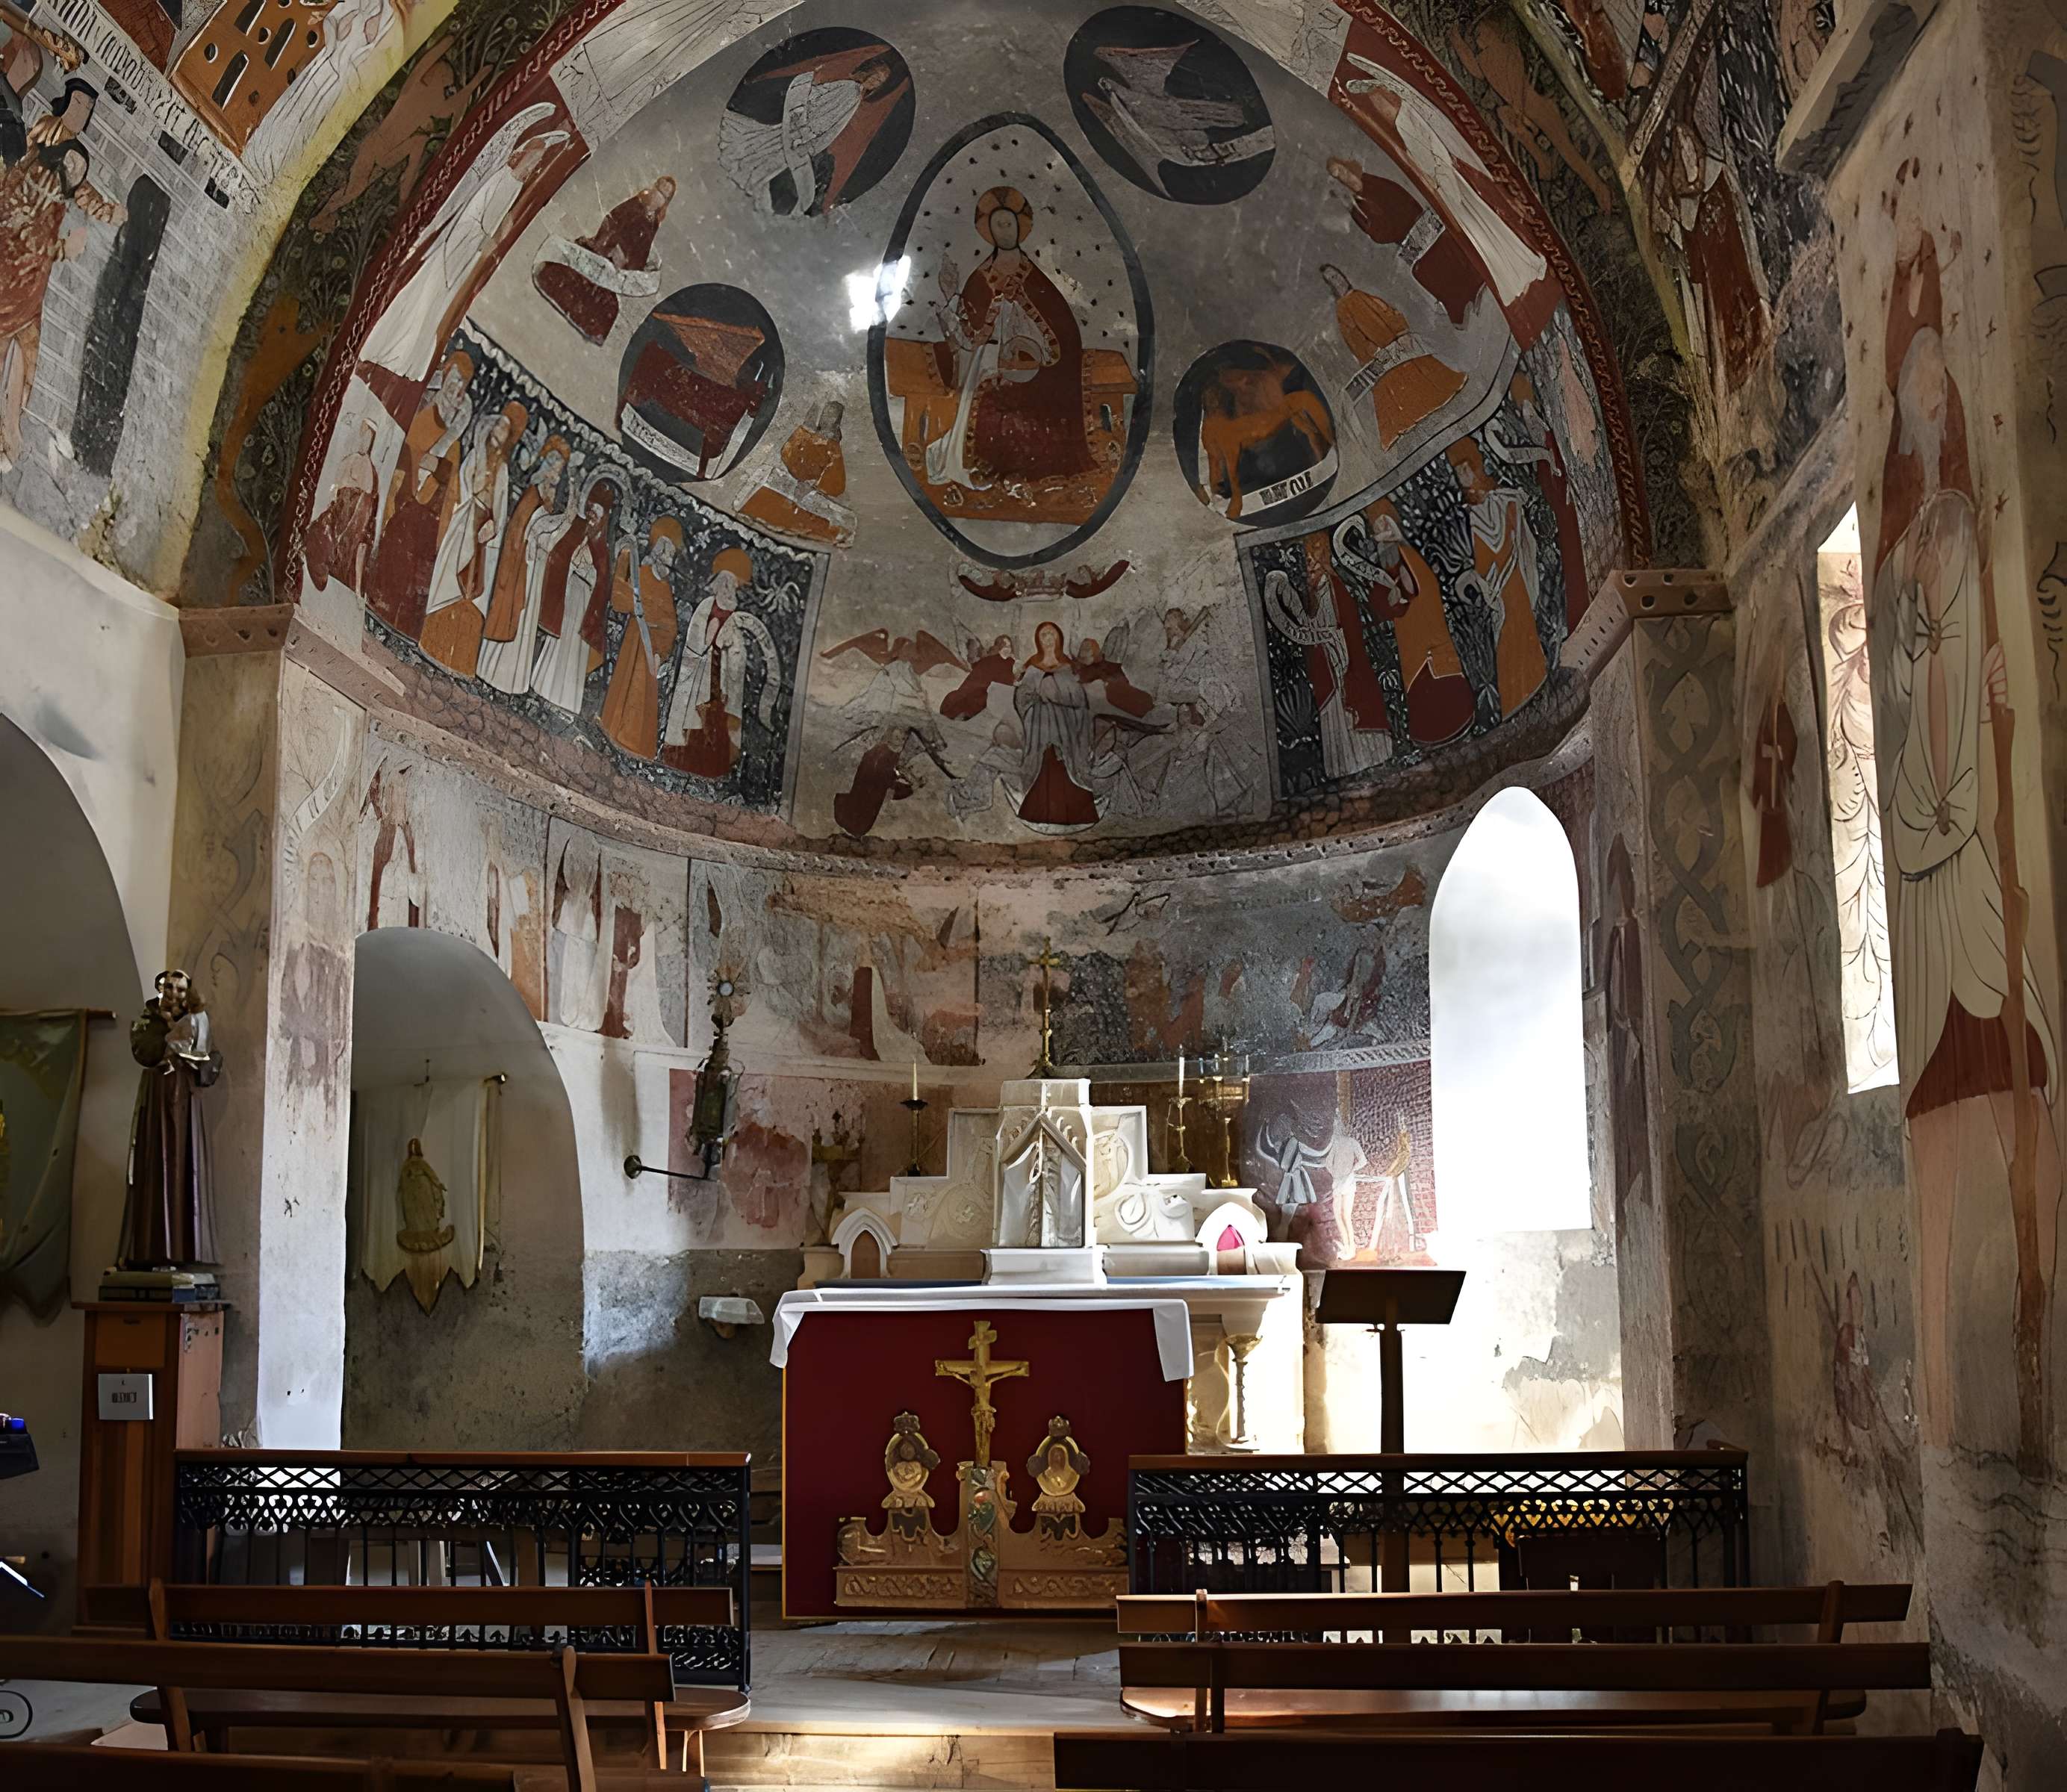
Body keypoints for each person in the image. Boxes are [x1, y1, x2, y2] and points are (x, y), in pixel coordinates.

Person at [924, 188, 1095, 498]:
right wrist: (951, 296)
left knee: (1032, 399)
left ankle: (1030, 471)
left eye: (1009, 224)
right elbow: (966, 335)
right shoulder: (980, 278)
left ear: (1020, 229)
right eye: (998, 225)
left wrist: (1029, 343)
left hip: (1031, 365)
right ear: (989, 232)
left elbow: (1062, 330)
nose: (1004, 231)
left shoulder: (1036, 279)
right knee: (986, 399)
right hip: (987, 363)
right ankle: (986, 470)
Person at [0, 139, 122, 471]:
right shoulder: (38, 174)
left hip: (29, 286)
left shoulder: (59, 185)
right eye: (71, 162)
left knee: (23, 355)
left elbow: (86, 201)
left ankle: (9, 430)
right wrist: (64, 249)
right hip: (12, 278)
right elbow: (20, 225)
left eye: (79, 169)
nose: (73, 170)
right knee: (14, 349)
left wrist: (112, 213)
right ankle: (9, 431)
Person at [119, 971, 223, 1270]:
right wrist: (170, 1034)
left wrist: (200, 1060)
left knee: (184, 1165)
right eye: (169, 987)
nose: (174, 993)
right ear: (160, 989)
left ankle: (184, 1248)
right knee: (156, 1164)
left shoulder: (197, 1019)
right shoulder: (147, 1020)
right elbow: (145, 1050)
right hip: (158, 1094)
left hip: (185, 1098)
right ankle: (151, 1250)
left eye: (180, 989)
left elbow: (209, 1059)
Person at [367, 351, 473, 636]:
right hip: (402, 489)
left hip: (427, 510)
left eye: (462, 385)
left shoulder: (454, 435)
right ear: (444, 376)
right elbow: (403, 443)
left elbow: (451, 477)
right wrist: (414, 468)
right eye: (453, 380)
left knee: (413, 567)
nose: (455, 389)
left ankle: (396, 623)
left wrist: (435, 465)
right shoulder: (424, 408)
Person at [420, 401, 526, 676]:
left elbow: (501, 504)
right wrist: (466, 508)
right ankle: (432, 641)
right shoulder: (476, 454)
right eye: (498, 425)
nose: (499, 431)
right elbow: (462, 486)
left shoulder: (502, 469)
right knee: (451, 577)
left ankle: (460, 658)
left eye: (505, 429)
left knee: (474, 589)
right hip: (466, 519)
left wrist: (494, 525)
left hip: (483, 528)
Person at [1321, 261, 1467, 451]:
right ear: (1331, 285)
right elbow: (1354, 339)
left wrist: (1402, 332)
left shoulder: (1359, 295)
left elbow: (1388, 312)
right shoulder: (1342, 309)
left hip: (1398, 344)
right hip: (1382, 357)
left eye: (1337, 275)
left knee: (1423, 374)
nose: (1338, 280)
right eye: (1332, 279)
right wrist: (1374, 352)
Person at [662, 546, 780, 777]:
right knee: (697, 723)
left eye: (733, 584)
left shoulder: (737, 620)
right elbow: (695, 645)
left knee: (718, 727)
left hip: (721, 684)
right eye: (725, 582)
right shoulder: (705, 608)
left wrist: (731, 649)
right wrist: (711, 638)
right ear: (716, 582)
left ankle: (713, 770)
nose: (729, 588)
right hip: (701, 678)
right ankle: (684, 765)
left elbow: (738, 657)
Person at [477, 435, 571, 694]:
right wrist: (527, 548)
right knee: (513, 615)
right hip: (522, 564)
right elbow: (517, 531)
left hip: (534, 568)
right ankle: (491, 671)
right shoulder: (533, 494)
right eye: (553, 463)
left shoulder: (548, 499)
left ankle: (513, 681)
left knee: (525, 624)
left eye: (559, 468)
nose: (555, 471)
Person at [532, 177, 674, 343]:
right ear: (653, 188)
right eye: (659, 190)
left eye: (664, 195)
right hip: (605, 249)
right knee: (576, 275)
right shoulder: (635, 205)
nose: (658, 196)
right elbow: (612, 221)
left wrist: (627, 262)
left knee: (604, 302)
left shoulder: (653, 224)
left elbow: (642, 251)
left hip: (620, 265)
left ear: (665, 203)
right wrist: (610, 246)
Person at [600, 517, 683, 759]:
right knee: (627, 689)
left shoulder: (665, 588)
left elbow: (670, 627)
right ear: (657, 551)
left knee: (643, 699)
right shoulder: (642, 575)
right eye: (667, 553)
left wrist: (661, 654)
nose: (669, 560)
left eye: (672, 555)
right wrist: (624, 561)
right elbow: (619, 600)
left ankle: (636, 746)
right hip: (635, 642)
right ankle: (617, 735)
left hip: (651, 652)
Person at [532, 477, 618, 715]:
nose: (592, 519)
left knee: (573, 651)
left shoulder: (602, 550)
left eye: (597, 515)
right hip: (568, 593)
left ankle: (565, 699)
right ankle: (542, 685)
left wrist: (586, 571)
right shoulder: (578, 533)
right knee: (557, 644)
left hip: (583, 603)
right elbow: (560, 556)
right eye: (591, 512)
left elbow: (601, 583)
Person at [1013, 621, 1098, 827]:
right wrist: (1038, 693)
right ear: (1038, 640)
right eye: (1044, 635)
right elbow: (1022, 698)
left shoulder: (1068, 667)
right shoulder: (1032, 668)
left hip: (1065, 724)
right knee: (1044, 762)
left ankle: (1076, 814)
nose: (1048, 639)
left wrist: (1055, 691)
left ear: (1059, 638)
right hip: (1039, 726)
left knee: (1064, 764)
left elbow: (1079, 698)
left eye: (1052, 634)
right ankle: (1038, 812)